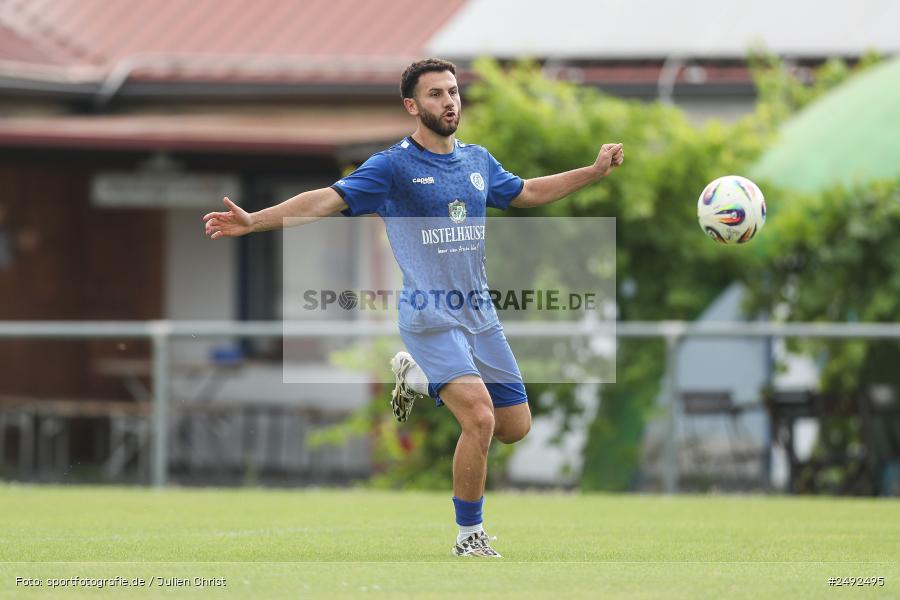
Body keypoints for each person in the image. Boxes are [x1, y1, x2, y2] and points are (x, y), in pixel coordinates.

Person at [203, 58, 623, 558]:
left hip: (479, 315)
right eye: (435, 94)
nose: (449, 102)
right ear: (412, 105)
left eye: (453, 92)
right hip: (429, 316)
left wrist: (593, 172)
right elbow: (326, 200)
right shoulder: (392, 167)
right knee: (480, 419)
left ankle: (418, 377)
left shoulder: (477, 161)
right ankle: (469, 537)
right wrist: (255, 221)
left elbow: (528, 192)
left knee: (515, 428)